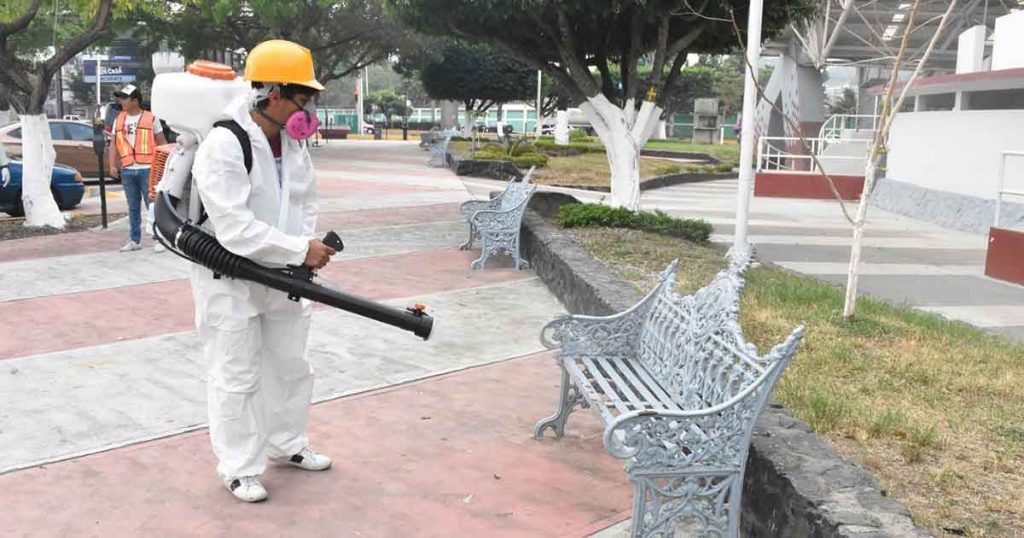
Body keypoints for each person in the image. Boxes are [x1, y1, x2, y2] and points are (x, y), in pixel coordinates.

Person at [190, 39, 335, 503]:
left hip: (284, 277)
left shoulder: (292, 143)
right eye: (303, 99)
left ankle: (287, 443)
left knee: (292, 366)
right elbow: (234, 230)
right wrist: (299, 250)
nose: (307, 111)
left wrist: (303, 258)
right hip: (230, 281)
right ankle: (239, 467)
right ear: (273, 93)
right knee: (236, 374)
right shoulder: (224, 144)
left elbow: (306, 201)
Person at [108, 85, 168, 253]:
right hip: (128, 169)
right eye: (120, 98)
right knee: (132, 207)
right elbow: (113, 143)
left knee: (152, 206)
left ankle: (158, 239)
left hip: (148, 168)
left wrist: (165, 165)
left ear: (135, 100)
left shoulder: (150, 118)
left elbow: (162, 142)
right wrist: (112, 164)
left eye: (124, 98)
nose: (121, 102)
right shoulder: (118, 119)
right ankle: (135, 240)